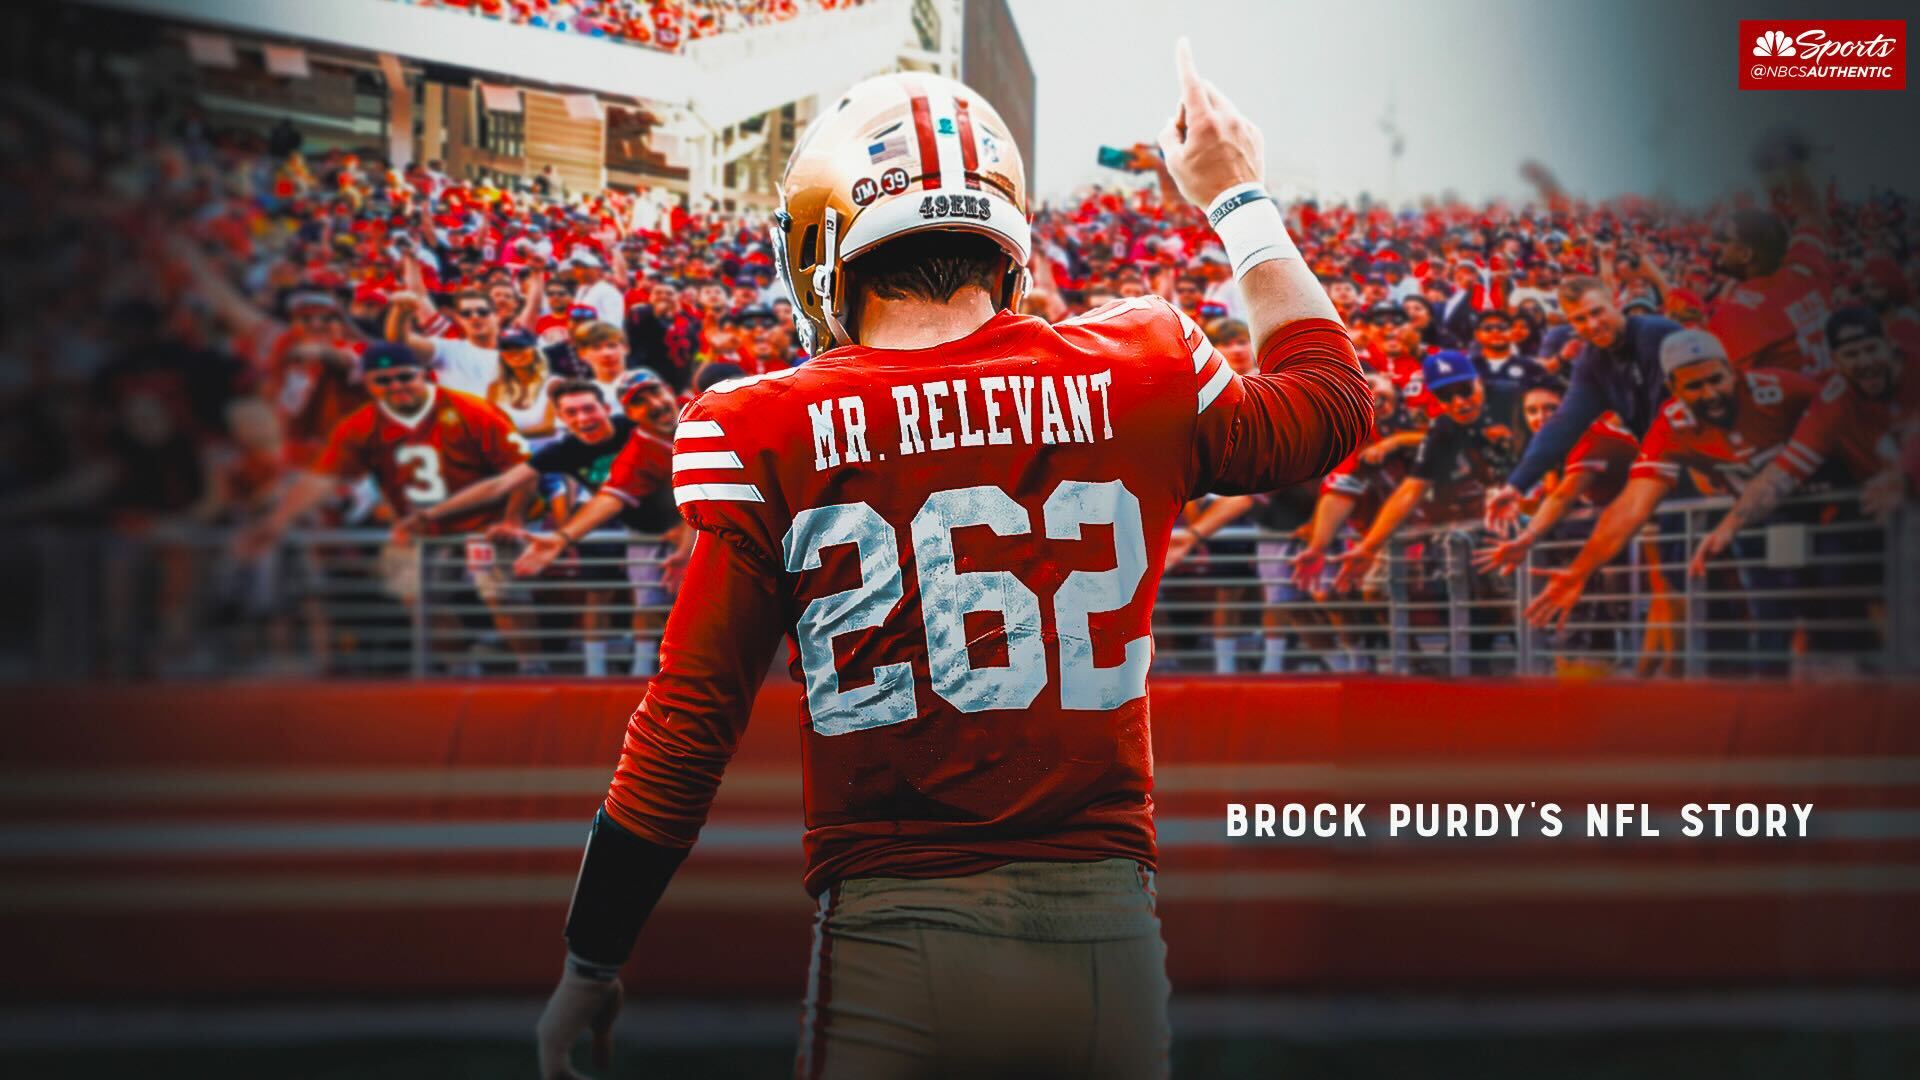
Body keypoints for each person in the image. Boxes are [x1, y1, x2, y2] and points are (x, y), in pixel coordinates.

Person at [533, 48, 1371, 1080]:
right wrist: (1234, 191)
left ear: (825, 239)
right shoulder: (1143, 361)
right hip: (1108, 935)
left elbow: (687, 724)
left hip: (898, 934)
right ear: (1004, 234)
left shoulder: (763, 426)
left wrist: (593, 958)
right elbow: (1331, 400)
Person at [1525, 329, 1818, 630]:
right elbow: (1632, 506)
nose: (1710, 394)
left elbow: (1846, 409)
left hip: (1831, 511)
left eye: (1715, 380)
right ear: (1673, 388)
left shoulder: (1781, 388)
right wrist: (1580, 570)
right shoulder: (1671, 425)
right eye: (1694, 386)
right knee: (1775, 618)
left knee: (1831, 608)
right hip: (1759, 520)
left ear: (1732, 371)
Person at [1689, 306, 1920, 572]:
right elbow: (1781, 474)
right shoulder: (1834, 401)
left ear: (1889, 345)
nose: (1865, 362)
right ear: (1835, 360)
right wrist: (1727, 528)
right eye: (1852, 354)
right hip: (1893, 510)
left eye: (1871, 349)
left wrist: (1905, 475)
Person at [1484, 275, 1681, 531]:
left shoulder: (1660, 334)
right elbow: (1564, 422)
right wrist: (1515, 486)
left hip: (1706, 455)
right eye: (1580, 319)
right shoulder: (1592, 361)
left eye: (1597, 312)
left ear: (1614, 302)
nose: (1593, 324)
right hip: (1662, 467)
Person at [386, 287, 504, 397]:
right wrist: (401, 312)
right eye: (466, 314)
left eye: (482, 312)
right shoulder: (447, 350)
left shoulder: (517, 355)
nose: (474, 317)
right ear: (459, 319)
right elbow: (399, 342)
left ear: (497, 316)